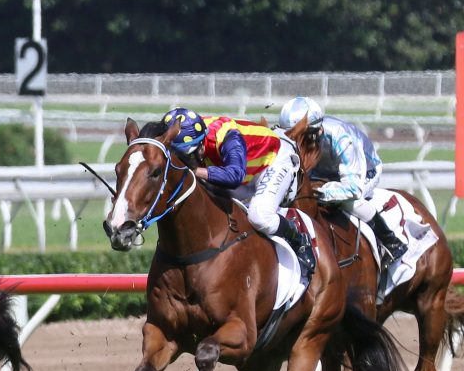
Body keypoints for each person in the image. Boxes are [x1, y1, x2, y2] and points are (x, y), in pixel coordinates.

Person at [161, 107, 315, 274]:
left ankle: (298, 238)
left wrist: (195, 171)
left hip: (273, 160)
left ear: (201, 142)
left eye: (189, 156)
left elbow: (235, 176)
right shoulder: (188, 134)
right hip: (243, 167)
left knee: (259, 216)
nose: (187, 161)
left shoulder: (227, 136)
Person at [277, 96, 407, 263]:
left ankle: (391, 242)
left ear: (318, 131)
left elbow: (353, 189)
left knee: (348, 202)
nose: (296, 144)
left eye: (302, 137)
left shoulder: (341, 138)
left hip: (364, 171)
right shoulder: (303, 139)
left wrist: (320, 193)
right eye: (292, 137)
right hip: (324, 171)